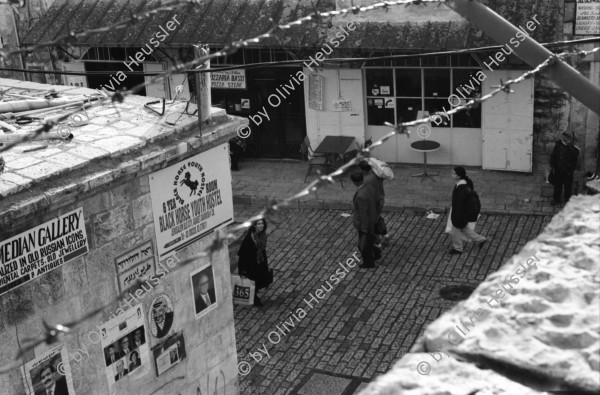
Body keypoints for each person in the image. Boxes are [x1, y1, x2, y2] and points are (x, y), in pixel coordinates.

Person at [448, 167, 487, 255]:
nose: (452, 175)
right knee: (464, 229)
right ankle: (481, 239)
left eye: (454, 173)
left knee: (455, 230)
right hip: (462, 214)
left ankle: (458, 249)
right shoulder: (464, 183)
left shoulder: (461, 189)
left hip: (460, 214)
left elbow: (460, 205)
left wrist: (457, 217)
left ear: (459, 176)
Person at [237, 219, 271, 306]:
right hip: (251, 265)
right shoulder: (249, 238)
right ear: (255, 225)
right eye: (259, 224)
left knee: (261, 280)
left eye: (262, 223)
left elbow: (262, 250)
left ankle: (255, 297)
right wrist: (243, 270)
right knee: (253, 282)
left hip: (259, 262)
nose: (261, 225)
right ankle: (255, 300)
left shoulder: (262, 235)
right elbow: (243, 254)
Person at [351, 172, 378, 268]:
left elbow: (363, 214)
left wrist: (364, 227)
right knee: (371, 238)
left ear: (353, 182)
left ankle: (369, 262)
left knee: (364, 245)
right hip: (373, 217)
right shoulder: (370, 187)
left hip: (366, 223)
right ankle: (376, 253)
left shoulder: (360, 196)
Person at [359, 160, 386, 248]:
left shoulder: (367, 180)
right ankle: (384, 234)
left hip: (374, 202)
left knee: (371, 222)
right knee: (377, 218)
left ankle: (377, 241)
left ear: (364, 170)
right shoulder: (377, 174)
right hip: (380, 198)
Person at [549, 131, 580, 205]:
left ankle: (567, 200)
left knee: (568, 187)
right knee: (557, 186)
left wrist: (569, 145)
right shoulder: (558, 144)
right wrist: (552, 165)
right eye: (563, 136)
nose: (564, 138)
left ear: (570, 138)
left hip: (568, 171)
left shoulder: (574, 146)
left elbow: (575, 155)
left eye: (566, 137)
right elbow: (553, 155)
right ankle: (556, 199)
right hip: (558, 169)